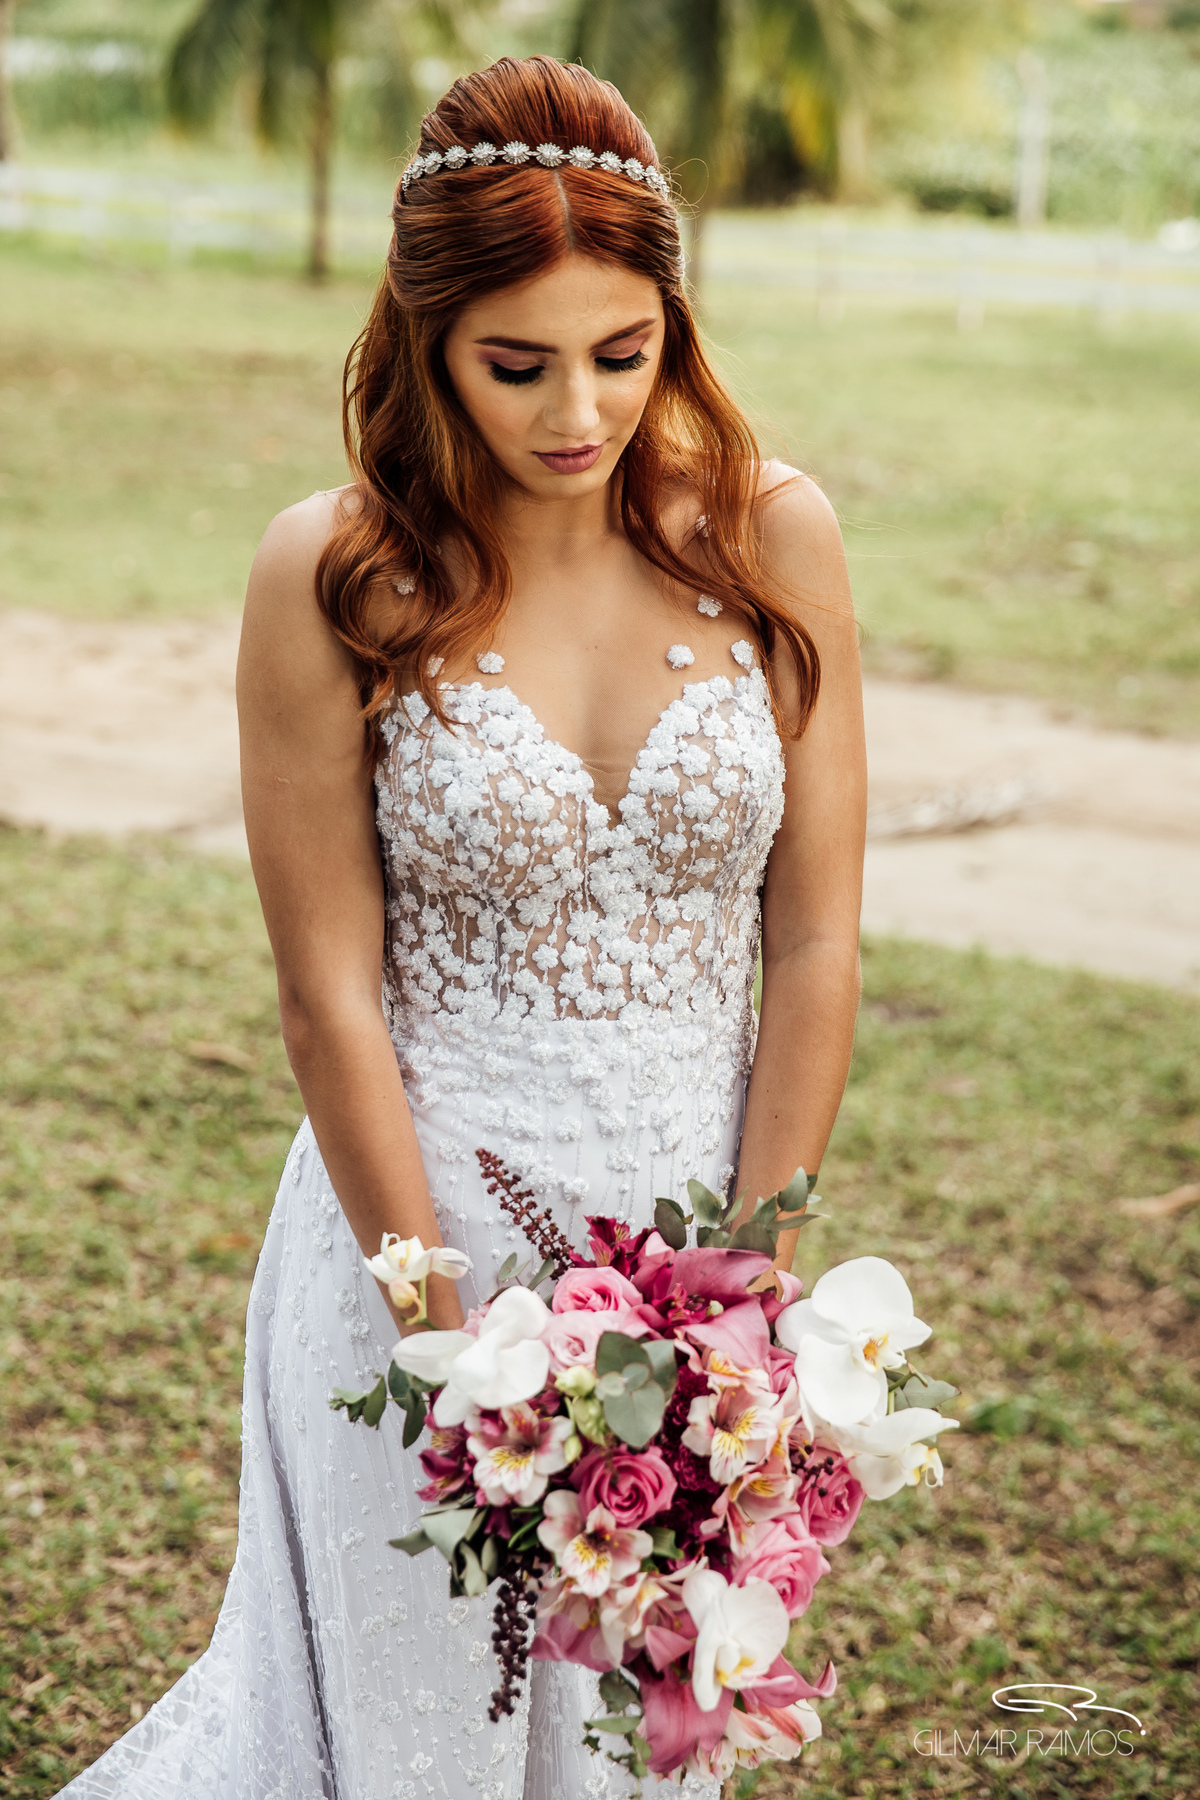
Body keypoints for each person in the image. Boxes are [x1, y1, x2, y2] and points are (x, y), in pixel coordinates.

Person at [57, 52, 865, 1800]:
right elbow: (327, 995)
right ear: (427, 341)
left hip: (692, 1255)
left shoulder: (770, 535)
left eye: (622, 352)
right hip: (412, 1243)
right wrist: (437, 1333)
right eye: (518, 365)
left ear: (673, 323)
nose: (576, 408)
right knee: (414, 1747)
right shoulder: (335, 575)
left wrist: (752, 1289)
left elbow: (812, 944)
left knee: (645, 1755)